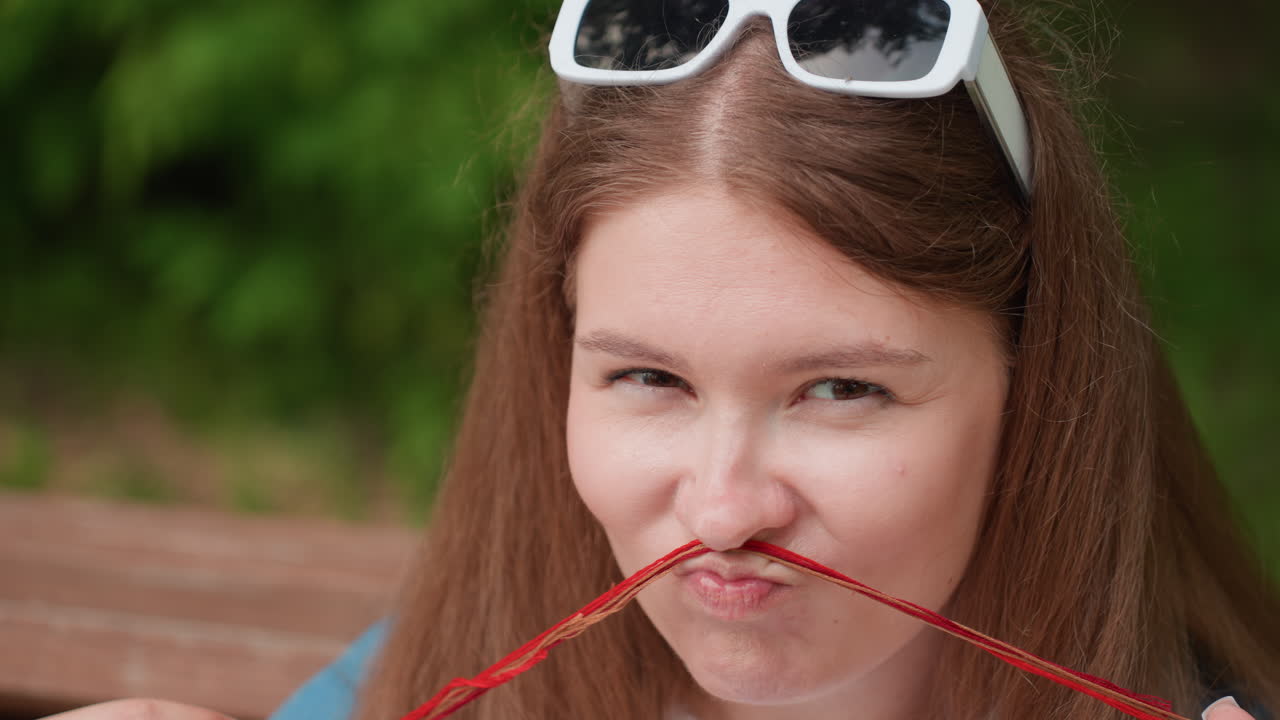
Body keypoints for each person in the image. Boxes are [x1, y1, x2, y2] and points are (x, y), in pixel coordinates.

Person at [46, 1, 1280, 719]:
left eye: (839, 390)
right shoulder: (439, 671)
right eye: (649, 379)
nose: (725, 510)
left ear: (1038, 382)